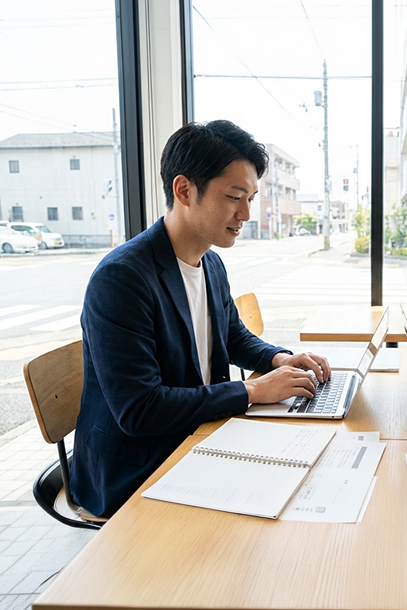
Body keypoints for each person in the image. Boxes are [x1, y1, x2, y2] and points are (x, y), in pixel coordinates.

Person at [70, 120, 331, 518]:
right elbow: (140, 410)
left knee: (309, 477)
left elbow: (233, 336)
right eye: (234, 196)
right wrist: (253, 393)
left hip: (198, 435)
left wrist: (278, 360)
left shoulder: (209, 263)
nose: (246, 213)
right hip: (137, 468)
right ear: (184, 190)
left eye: (251, 197)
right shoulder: (121, 278)